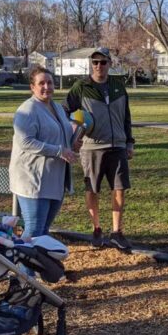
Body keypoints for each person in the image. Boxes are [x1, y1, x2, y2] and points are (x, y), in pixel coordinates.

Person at [63, 49, 135, 251]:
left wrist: (129, 142)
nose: (98, 66)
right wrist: (75, 132)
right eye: (95, 62)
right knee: (92, 188)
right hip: (92, 147)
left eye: (103, 62)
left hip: (118, 145)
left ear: (110, 63)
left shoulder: (118, 86)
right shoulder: (81, 87)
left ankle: (116, 232)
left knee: (119, 189)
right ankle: (97, 229)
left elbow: (126, 117)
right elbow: (65, 111)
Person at [9, 66, 76, 270]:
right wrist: (59, 151)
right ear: (32, 87)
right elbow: (26, 142)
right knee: (34, 230)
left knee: (43, 231)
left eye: (49, 83)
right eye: (41, 83)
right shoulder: (27, 110)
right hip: (32, 180)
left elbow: (62, 135)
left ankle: (36, 272)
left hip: (53, 179)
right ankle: (23, 276)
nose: (46, 87)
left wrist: (72, 143)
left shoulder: (56, 108)